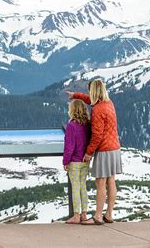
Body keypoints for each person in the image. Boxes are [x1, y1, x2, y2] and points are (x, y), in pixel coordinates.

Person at [66, 79, 122, 225]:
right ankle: (109, 214)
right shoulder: (109, 103)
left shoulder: (97, 110)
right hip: (115, 147)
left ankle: (97, 216)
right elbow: (91, 100)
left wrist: (89, 152)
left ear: (93, 91)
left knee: (100, 182)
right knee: (111, 181)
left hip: (104, 149)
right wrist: (76, 95)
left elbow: (97, 135)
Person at [62, 99, 90, 224]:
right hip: (85, 161)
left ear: (72, 110)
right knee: (83, 187)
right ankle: (84, 214)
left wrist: (65, 161)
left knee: (75, 188)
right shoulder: (87, 125)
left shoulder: (71, 126)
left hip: (74, 161)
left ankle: (76, 215)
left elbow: (69, 146)